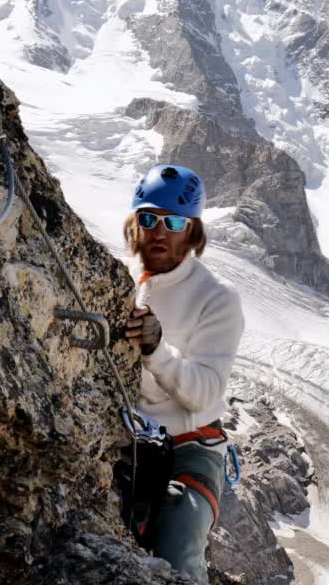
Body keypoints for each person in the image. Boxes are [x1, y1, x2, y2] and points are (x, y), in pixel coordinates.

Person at [122, 164, 244, 585]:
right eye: (149, 219)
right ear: (135, 224)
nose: (159, 232)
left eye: (174, 222)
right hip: (130, 440)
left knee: (177, 546)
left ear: (192, 232)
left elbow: (206, 392)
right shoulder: (121, 281)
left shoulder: (217, 298)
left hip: (189, 450)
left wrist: (157, 350)